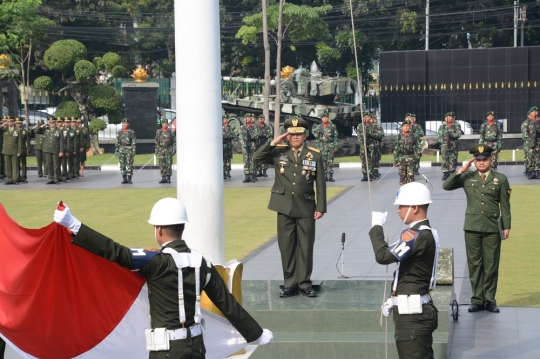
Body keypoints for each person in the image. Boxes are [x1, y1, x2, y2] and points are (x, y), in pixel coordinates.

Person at [53, 198, 273, 358]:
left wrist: (73, 224)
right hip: (196, 347)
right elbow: (228, 305)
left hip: (166, 351)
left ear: (158, 230)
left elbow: (114, 251)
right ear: (182, 227)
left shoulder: (155, 262)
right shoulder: (202, 263)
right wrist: (257, 333)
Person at [253, 116, 327, 298]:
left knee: (306, 246)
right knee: (286, 246)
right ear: (287, 136)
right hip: (284, 205)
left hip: (306, 206)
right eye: (292, 134)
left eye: (299, 134)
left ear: (305, 135)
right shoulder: (279, 152)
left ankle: (304, 282)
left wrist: (321, 206)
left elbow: (321, 183)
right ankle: (289, 283)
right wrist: (274, 141)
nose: (295, 137)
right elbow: (257, 158)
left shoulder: (314, 154)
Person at [370, 182, 439, 359]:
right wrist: (394, 300)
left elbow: (383, 256)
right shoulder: (425, 233)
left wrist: (376, 227)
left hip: (413, 317)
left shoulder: (416, 235)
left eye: (402, 206)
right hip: (413, 310)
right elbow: (410, 273)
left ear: (414, 207)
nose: (398, 210)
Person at [443, 144, 511, 313]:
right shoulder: (467, 177)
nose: (481, 163)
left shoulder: (500, 179)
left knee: (491, 264)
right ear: (474, 161)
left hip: (492, 227)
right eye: (478, 160)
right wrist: (461, 170)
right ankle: (477, 300)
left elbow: (505, 205)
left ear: (491, 159)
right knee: (475, 264)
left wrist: (506, 226)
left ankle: (489, 300)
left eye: (485, 159)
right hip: (472, 227)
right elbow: (447, 186)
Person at [312, 110, 338, 182]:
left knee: (330, 161)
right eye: (323, 118)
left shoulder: (333, 126)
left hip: (330, 145)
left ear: (328, 118)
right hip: (322, 146)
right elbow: (317, 137)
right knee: (323, 161)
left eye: (326, 118)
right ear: (321, 119)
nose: (325, 119)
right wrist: (318, 146)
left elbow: (336, 137)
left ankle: (331, 176)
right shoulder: (319, 127)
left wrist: (335, 145)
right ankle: (325, 176)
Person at [393, 121, 420, 187]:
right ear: (402, 128)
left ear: (410, 127)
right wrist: (396, 159)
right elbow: (396, 149)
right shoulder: (398, 137)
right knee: (402, 176)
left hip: (411, 157)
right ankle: (402, 191)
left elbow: (418, 147)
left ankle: (410, 192)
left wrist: (416, 156)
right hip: (402, 157)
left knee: (411, 176)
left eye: (407, 126)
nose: (406, 127)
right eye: (404, 126)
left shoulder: (414, 136)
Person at [437, 111, 461, 180]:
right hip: (444, 145)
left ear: (453, 118)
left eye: (450, 117)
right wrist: (443, 141)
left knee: (453, 158)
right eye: (447, 117)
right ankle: (445, 173)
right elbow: (439, 135)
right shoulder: (442, 126)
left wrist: (451, 134)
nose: (449, 119)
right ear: (445, 118)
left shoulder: (456, 125)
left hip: (453, 144)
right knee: (445, 158)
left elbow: (458, 134)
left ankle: (452, 172)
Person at [39, 117, 64, 185]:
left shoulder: (59, 131)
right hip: (48, 149)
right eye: (50, 123)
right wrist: (43, 125)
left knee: (56, 165)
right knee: (49, 165)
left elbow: (61, 141)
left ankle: (56, 178)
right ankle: (51, 178)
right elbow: (36, 131)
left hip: (55, 149)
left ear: (55, 123)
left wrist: (61, 151)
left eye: (53, 123)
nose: (51, 124)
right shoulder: (46, 130)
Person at [1, 116, 22, 185]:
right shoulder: (4, 129)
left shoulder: (17, 130)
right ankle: (9, 179)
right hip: (6, 150)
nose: (9, 123)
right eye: (8, 121)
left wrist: (19, 151)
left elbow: (19, 142)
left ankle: (15, 179)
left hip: (14, 150)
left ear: (13, 122)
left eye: (11, 121)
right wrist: (3, 124)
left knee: (15, 165)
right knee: (8, 165)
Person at [115, 118, 136, 184]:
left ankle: (129, 179)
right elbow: (117, 142)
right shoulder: (119, 132)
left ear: (128, 124)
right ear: (122, 124)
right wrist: (116, 150)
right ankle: (124, 178)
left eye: (126, 123)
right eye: (124, 123)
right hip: (121, 149)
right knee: (122, 164)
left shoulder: (131, 132)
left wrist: (133, 150)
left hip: (129, 149)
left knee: (129, 164)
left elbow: (133, 142)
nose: (125, 124)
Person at [155, 118, 176, 184]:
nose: (164, 125)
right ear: (162, 124)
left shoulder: (171, 132)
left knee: (168, 164)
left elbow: (174, 142)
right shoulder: (159, 132)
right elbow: (157, 142)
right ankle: (163, 178)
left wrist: (173, 150)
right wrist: (156, 150)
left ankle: (168, 178)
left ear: (167, 124)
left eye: (166, 123)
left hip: (168, 149)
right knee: (162, 164)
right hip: (161, 149)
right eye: (163, 124)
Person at [521, 106, 539, 179]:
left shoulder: (539, 121)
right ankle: (530, 171)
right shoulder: (526, 122)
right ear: (530, 113)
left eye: (536, 111)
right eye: (533, 111)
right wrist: (529, 142)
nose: (535, 113)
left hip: (538, 142)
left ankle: (537, 170)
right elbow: (524, 134)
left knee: (538, 156)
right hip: (529, 143)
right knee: (530, 156)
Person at [367, 113, 384, 179]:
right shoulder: (368, 127)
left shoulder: (378, 127)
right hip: (371, 145)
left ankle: (376, 170)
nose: (373, 120)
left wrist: (373, 135)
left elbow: (381, 134)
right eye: (371, 119)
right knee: (371, 159)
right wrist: (375, 135)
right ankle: (371, 172)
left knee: (377, 158)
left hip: (377, 145)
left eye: (374, 119)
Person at [357, 112, 373, 181]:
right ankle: (364, 174)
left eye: (368, 117)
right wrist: (363, 142)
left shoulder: (373, 126)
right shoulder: (360, 126)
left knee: (370, 160)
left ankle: (370, 174)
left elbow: (375, 135)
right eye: (365, 117)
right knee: (364, 160)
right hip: (363, 145)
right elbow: (359, 136)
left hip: (371, 145)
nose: (366, 118)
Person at [239, 114, 254, 183]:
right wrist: (243, 144)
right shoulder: (242, 127)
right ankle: (246, 176)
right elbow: (241, 137)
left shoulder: (253, 127)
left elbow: (256, 135)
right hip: (245, 146)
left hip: (251, 146)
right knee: (246, 161)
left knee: (251, 160)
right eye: (247, 118)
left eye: (249, 118)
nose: (248, 119)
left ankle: (251, 176)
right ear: (245, 119)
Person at [14, 118, 29, 183]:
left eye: (19, 123)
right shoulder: (13, 131)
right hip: (15, 149)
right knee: (16, 164)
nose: (18, 125)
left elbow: (28, 141)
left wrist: (28, 150)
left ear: (22, 124)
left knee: (23, 164)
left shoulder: (25, 131)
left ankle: (23, 177)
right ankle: (17, 177)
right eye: (17, 123)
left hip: (23, 149)